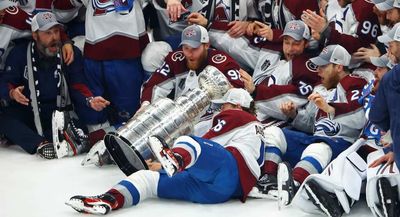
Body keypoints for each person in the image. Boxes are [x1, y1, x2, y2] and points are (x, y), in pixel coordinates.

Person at [65, 88, 264, 215]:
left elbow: (205, 145)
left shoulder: (237, 115)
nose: (221, 110)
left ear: (237, 106)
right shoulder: (261, 128)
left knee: (188, 141)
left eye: (224, 105)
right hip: (218, 189)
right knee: (146, 178)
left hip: (229, 171)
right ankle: (108, 200)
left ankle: (174, 160)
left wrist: (166, 160)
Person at [261, 45, 367, 206]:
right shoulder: (320, 89)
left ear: (338, 67)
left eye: (323, 66)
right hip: (315, 143)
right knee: (273, 132)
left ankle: (294, 184)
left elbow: (360, 117)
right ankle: (268, 179)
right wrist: (294, 116)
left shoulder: (355, 83)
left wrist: (330, 109)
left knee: (319, 147)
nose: (318, 71)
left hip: (342, 147)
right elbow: (312, 125)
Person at [0, 12, 92, 159]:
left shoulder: (69, 53)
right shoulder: (19, 53)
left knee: (80, 132)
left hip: (59, 112)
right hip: (29, 109)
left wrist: (90, 100)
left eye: (56, 31)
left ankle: (63, 140)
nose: (54, 37)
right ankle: (41, 144)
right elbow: (6, 81)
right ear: (35, 35)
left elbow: (78, 85)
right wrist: (12, 93)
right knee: (4, 118)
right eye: (47, 33)